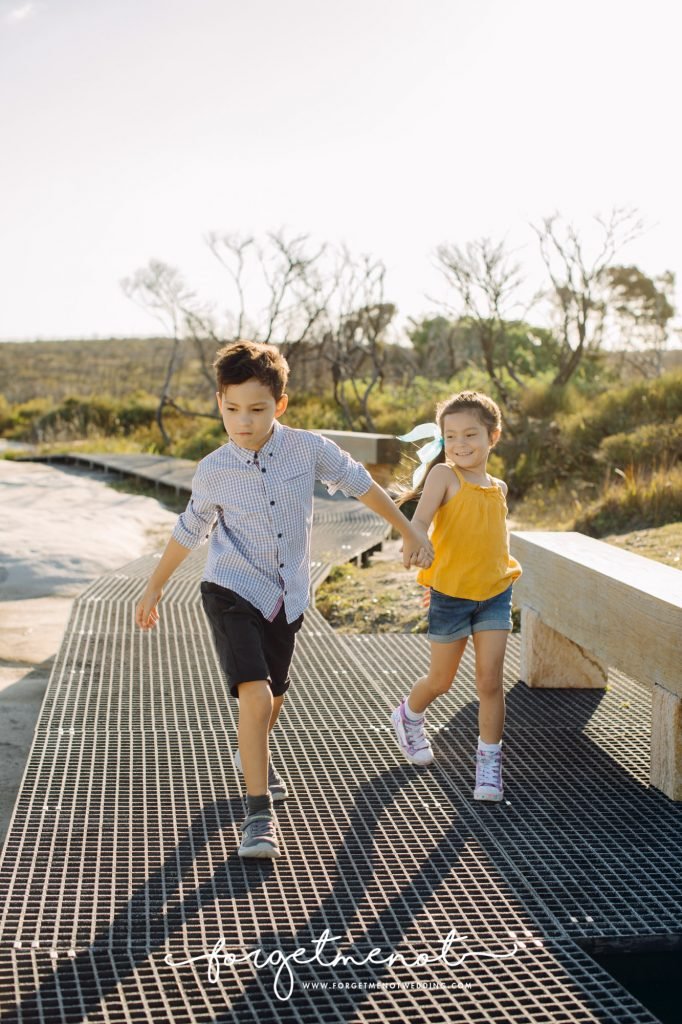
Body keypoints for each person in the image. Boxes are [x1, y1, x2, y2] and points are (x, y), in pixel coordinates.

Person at [135, 340, 433, 859]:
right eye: (231, 410)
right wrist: (154, 583)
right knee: (253, 697)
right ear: (219, 403)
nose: (243, 422)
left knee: (271, 701)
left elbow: (361, 483)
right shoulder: (213, 469)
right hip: (230, 589)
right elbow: (190, 529)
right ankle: (258, 815)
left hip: (287, 595)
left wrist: (407, 530)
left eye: (256, 409)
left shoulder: (309, 449)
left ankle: (251, 749)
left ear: (281, 405)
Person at [390, 390, 521, 801]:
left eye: (471, 435)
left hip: (495, 593)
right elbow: (423, 518)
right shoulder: (445, 475)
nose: (461, 445)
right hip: (450, 595)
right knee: (441, 681)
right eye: (451, 437)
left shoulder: (498, 486)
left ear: (493, 436)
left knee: (489, 681)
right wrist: (417, 542)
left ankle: (488, 763)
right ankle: (409, 716)